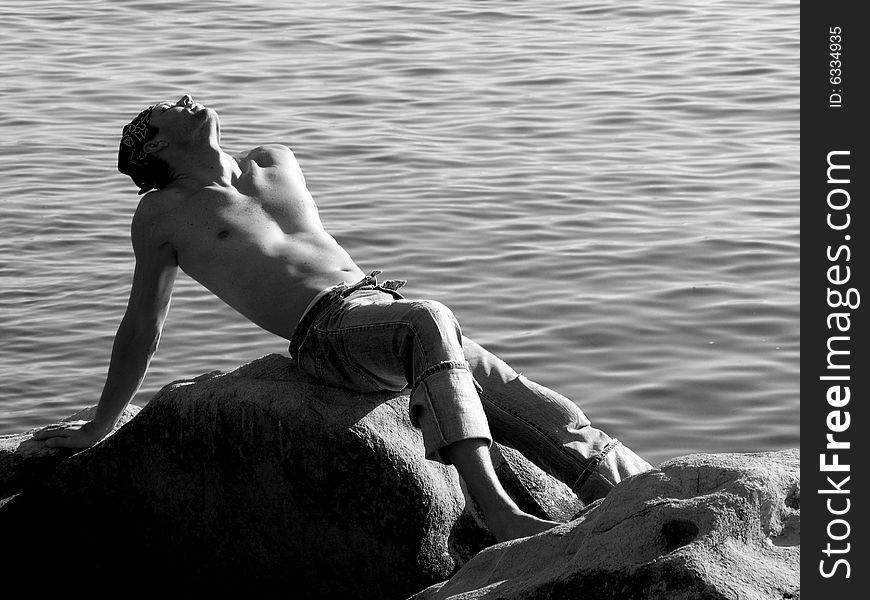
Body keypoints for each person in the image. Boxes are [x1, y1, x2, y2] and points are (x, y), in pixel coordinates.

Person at [34, 95, 652, 541]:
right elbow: (142, 326)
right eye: (165, 107)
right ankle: (491, 505)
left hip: (380, 309)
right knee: (428, 319)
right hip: (326, 336)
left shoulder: (275, 161)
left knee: (530, 402)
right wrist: (101, 424)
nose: (187, 98)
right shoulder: (163, 214)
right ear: (156, 145)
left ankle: (647, 491)